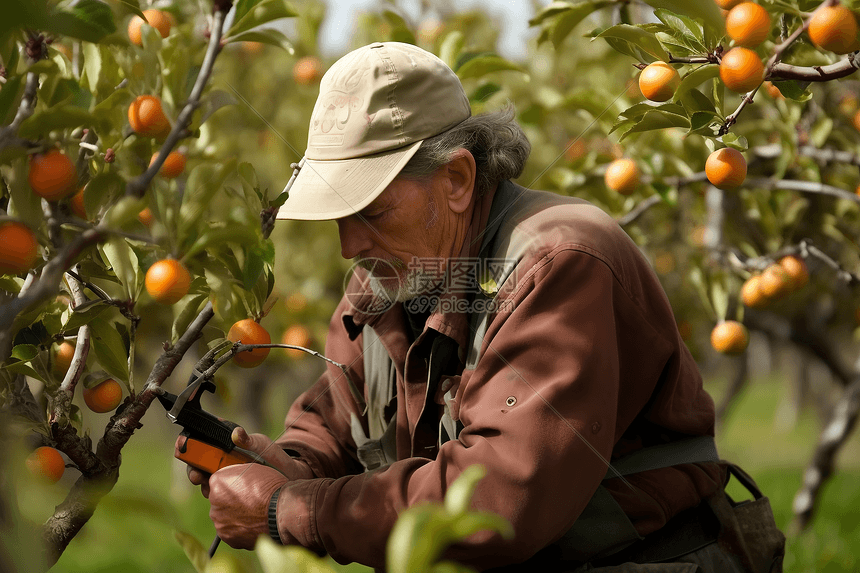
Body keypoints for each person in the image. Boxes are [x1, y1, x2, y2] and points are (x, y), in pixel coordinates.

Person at [186, 42, 784, 572]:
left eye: (370, 211)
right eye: (340, 216)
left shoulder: (557, 263)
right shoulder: (387, 276)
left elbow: (499, 497)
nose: (349, 244)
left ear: (457, 179)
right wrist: (283, 464)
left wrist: (288, 510)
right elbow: (333, 422)